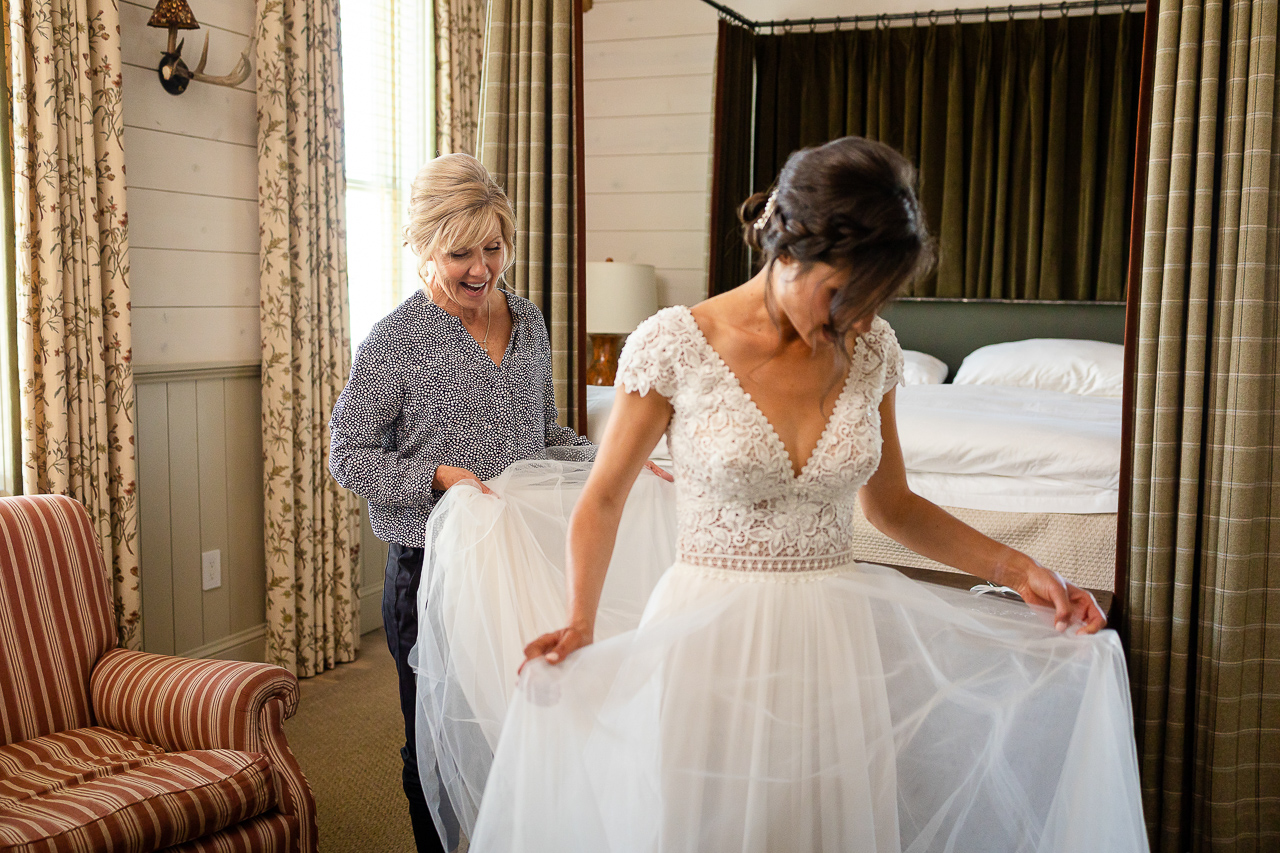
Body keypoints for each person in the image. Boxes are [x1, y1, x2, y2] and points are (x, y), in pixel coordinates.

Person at [461, 137, 1149, 852]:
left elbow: (893, 507)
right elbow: (602, 497)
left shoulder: (873, 348)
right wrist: (581, 618)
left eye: (871, 301)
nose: (851, 320)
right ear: (787, 246)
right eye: (841, 295)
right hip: (710, 640)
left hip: (830, 643)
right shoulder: (674, 345)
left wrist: (1019, 567)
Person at [329, 153, 646, 852]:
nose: (481, 268)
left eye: (493, 247)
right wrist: (437, 475)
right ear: (423, 246)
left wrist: (625, 459)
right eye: (460, 252)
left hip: (526, 558)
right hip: (430, 574)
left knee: (532, 733)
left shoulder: (528, 320)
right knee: (436, 747)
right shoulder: (395, 341)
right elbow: (347, 454)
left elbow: (545, 434)